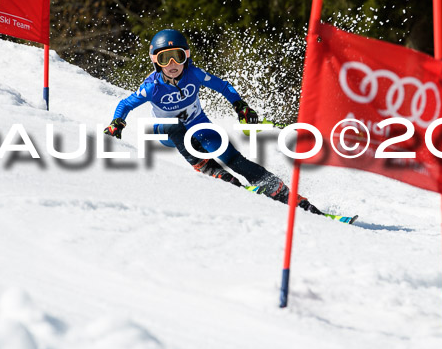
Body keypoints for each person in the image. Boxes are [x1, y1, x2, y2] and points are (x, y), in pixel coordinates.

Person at [104, 28, 325, 216]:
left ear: (186, 57)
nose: (172, 64)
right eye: (164, 58)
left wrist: (241, 106)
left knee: (232, 157)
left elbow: (224, 87)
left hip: (198, 123)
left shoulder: (194, 74)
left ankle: (283, 192)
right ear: (156, 62)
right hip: (168, 133)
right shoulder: (152, 86)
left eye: (177, 57)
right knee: (175, 126)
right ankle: (210, 169)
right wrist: (117, 122)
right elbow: (125, 104)